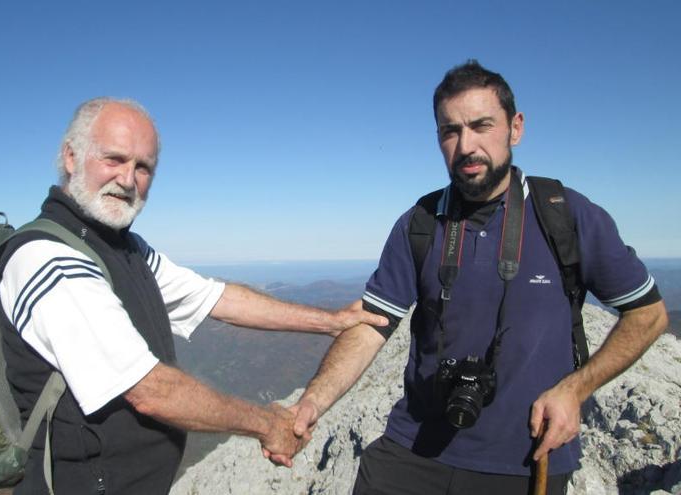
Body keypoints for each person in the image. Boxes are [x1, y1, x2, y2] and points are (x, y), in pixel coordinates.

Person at [270, 60, 669, 494]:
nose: (466, 145)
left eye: (482, 126)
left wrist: (575, 389)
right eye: (450, 131)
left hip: (526, 459)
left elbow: (648, 314)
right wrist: (313, 402)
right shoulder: (420, 222)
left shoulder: (565, 214)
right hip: (414, 449)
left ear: (515, 128)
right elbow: (370, 327)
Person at [0, 97, 387, 494]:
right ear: (70, 156)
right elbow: (151, 390)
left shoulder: (121, 248)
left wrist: (331, 322)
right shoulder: (49, 258)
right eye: (114, 159)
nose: (128, 179)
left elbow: (218, 298)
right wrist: (269, 425)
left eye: (143, 166)